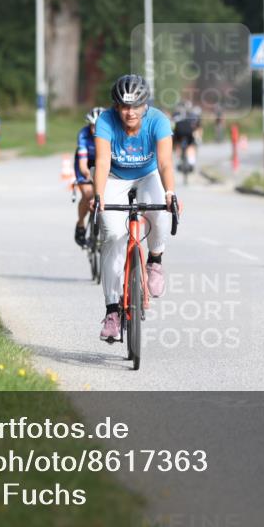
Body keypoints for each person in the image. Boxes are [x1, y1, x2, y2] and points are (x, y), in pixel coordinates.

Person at [91, 74, 179, 341]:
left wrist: (170, 193)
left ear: (145, 105)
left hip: (148, 174)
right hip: (115, 177)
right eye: (124, 106)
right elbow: (103, 160)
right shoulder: (106, 121)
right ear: (116, 106)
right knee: (113, 236)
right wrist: (98, 194)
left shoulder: (159, 121)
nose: (130, 112)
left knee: (161, 211)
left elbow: (164, 163)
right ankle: (112, 311)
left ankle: (154, 261)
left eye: (135, 106)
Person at [73, 107, 105, 247]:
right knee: (87, 193)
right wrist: (90, 176)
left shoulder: (110, 134)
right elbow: (83, 164)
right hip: (87, 164)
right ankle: (80, 223)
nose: (94, 130)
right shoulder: (84, 135)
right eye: (92, 126)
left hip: (103, 163)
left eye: (98, 126)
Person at [171, 103, 202, 173]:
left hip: (178, 132)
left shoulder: (175, 114)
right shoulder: (192, 115)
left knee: (177, 145)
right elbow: (198, 126)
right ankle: (191, 162)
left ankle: (178, 159)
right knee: (191, 146)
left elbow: (172, 125)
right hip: (189, 133)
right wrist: (198, 138)